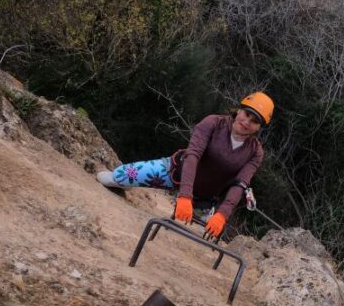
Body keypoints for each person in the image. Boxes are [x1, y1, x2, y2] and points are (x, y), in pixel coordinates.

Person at [97, 92, 273, 239]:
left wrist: (222, 214)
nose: (247, 122)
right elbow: (193, 155)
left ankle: (205, 211)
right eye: (246, 114)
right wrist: (185, 195)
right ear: (239, 110)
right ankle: (125, 181)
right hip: (175, 171)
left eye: (254, 121)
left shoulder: (255, 152)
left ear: (259, 127)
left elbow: (240, 184)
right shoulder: (213, 123)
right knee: (116, 177)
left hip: (204, 197)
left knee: (199, 232)